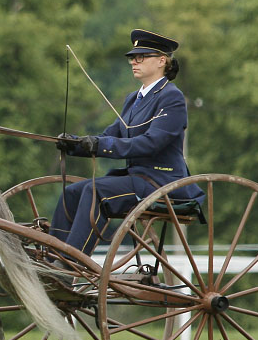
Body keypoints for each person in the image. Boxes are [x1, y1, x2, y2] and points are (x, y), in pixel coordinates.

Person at [50, 29, 205, 256]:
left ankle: (71, 262)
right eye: (132, 57)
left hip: (160, 181)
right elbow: (111, 134)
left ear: (162, 60)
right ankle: (52, 256)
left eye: (141, 56)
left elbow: (151, 143)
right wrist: (75, 144)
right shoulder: (133, 98)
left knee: (97, 191)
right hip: (135, 179)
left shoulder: (171, 97)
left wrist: (100, 145)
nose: (134, 61)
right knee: (72, 192)